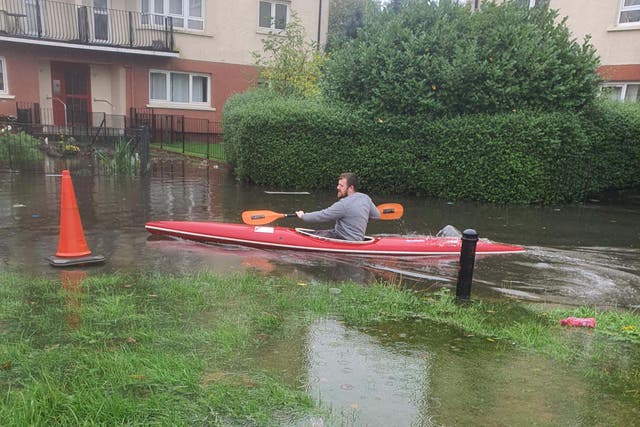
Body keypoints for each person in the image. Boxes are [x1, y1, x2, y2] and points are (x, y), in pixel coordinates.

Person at [295, 172, 380, 241]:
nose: (337, 187)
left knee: (314, 235)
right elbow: (376, 216)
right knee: (322, 232)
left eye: (341, 186)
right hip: (358, 239)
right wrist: (361, 217)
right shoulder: (365, 198)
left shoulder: (343, 204)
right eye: (338, 184)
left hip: (342, 238)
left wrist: (303, 216)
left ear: (350, 188)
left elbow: (322, 216)